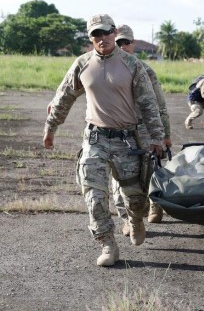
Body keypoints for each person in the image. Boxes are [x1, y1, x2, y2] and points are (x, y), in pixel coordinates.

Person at [43, 14, 164, 267]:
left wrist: (157, 137)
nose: (102, 38)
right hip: (95, 139)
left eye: (106, 32)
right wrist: (51, 127)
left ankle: (136, 219)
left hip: (127, 142)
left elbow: (148, 103)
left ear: (115, 31)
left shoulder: (133, 64)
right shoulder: (82, 64)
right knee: (95, 197)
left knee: (135, 198)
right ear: (90, 38)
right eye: (95, 34)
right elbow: (63, 97)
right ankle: (108, 243)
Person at [113, 24, 172, 230]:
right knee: (120, 175)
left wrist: (165, 134)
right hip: (120, 131)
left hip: (146, 128)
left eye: (126, 42)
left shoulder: (145, 70)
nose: (123, 46)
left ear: (133, 43)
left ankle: (156, 204)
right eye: (118, 42)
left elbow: (160, 104)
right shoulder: (108, 69)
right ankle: (127, 218)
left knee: (152, 169)